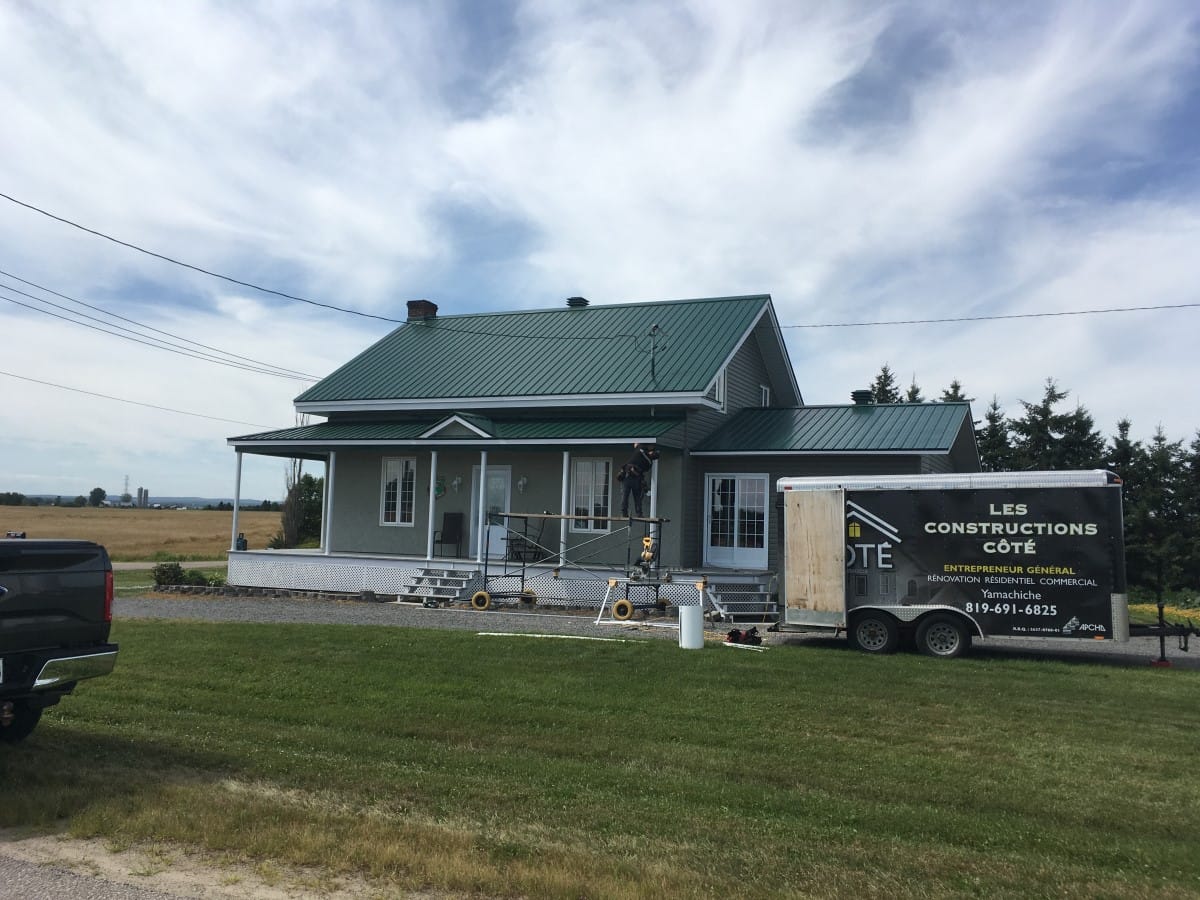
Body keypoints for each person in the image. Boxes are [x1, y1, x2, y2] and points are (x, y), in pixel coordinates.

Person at [617, 443, 659, 518]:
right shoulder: (649, 463)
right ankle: (638, 513)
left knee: (627, 496)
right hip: (633, 476)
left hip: (630, 476)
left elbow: (636, 444)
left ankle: (626, 513)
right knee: (635, 498)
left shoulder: (641, 450)